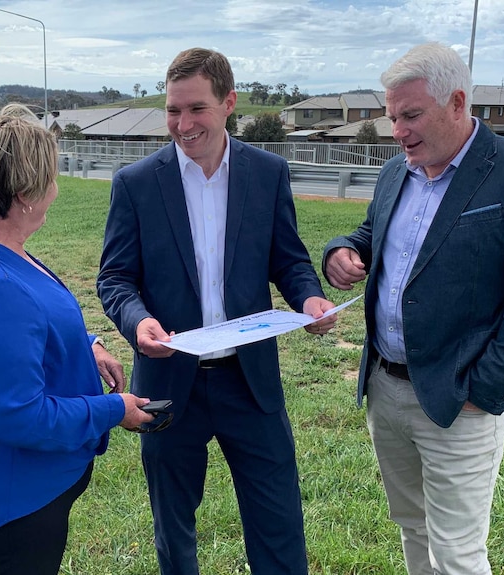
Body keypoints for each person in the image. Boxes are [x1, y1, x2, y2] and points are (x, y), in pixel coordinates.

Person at [322, 43, 504, 574]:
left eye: (411, 115)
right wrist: (343, 253)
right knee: (412, 526)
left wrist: (484, 389)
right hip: (385, 389)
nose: (398, 130)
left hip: (460, 399)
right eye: (393, 117)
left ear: (457, 102)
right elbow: (373, 235)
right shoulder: (398, 172)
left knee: (457, 552)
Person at [97, 48, 337, 574]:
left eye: (197, 109)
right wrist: (137, 321)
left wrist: (309, 297)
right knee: (174, 526)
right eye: (173, 110)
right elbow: (114, 279)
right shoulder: (136, 184)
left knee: (277, 519)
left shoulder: (267, 173)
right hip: (167, 381)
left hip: (249, 382)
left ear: (229, 103)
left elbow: (290, 260)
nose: (182, 125)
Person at [0, 103, 154, 575]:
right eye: (51, 177)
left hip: (30, 493)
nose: (56, 188)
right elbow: (19, 417)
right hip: (12, 508)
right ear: (26, 194)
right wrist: (117, 409)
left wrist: (86, 344)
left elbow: (29, 322)